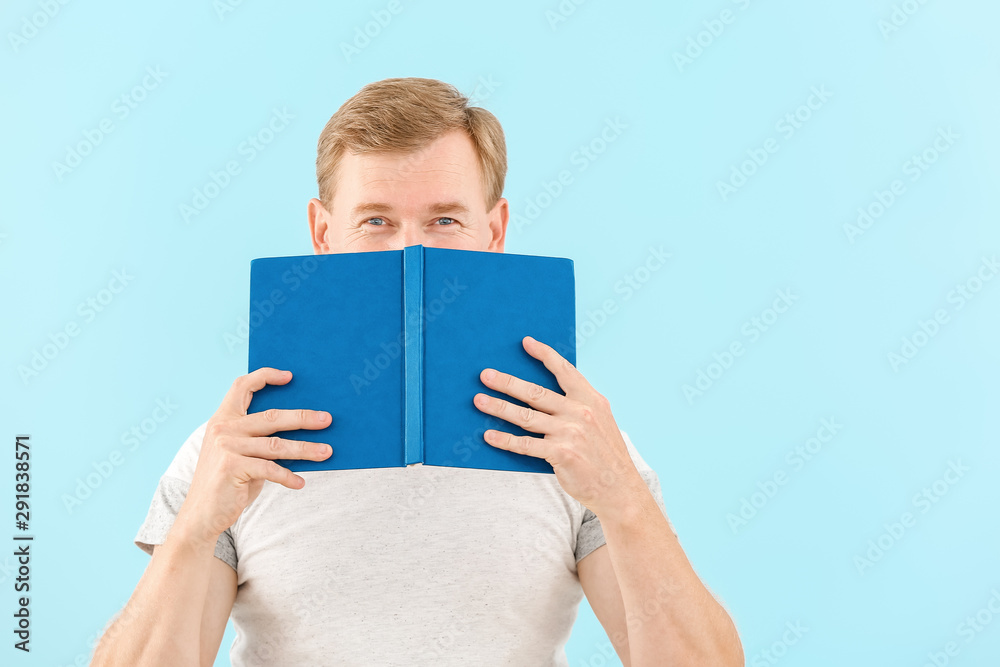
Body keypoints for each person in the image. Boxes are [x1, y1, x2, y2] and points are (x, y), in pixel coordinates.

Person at [91, 77, 743, 666]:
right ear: (322, 233)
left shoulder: (575, 444)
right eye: (375, 220)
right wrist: (195, 525)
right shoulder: (234, 452)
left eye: (444, 220)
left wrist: (621, 495)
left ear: (495, 231)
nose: (411, 249)